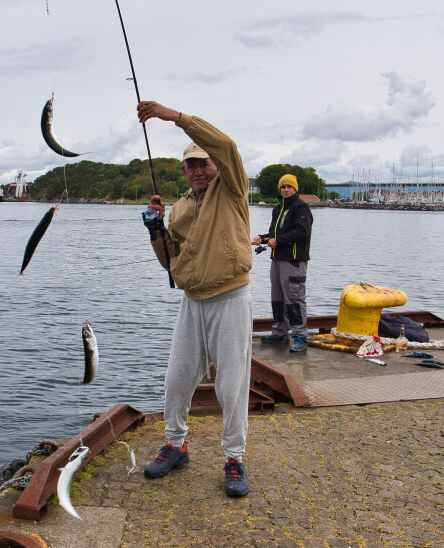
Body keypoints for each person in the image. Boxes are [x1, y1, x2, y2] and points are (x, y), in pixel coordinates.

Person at [137, 100, 253, 498]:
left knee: (232, 385)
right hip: (192, 301)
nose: (200, 170)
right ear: (184, 170)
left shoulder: (233, 187)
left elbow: (226, 145)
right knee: (177, 379)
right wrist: (156, 230)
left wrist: (175, 118)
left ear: (215, 165)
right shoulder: (182, 206)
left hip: (230, 297)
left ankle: (234, 458)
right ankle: (176, 444)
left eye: (204, 162)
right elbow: (173, 261)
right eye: (192, 165)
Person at [251, 174, 314, 353]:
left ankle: (300, 336)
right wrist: (262, 238)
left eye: (289, 187)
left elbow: (302, 232)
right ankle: (280, 332)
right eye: (283, 187)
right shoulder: (278, 209)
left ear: (295, 189)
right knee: (277, 298)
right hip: (277, 260)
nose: (286, 190)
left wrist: (278, 241)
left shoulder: (301, 207)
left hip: (294, 262)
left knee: (294, 298)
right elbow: (274, 234)